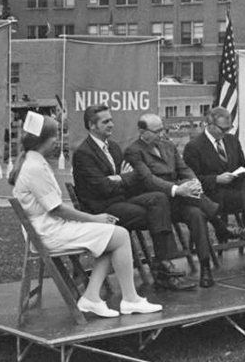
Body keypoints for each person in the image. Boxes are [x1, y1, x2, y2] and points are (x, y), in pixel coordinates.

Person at [11, 111, 162, 318]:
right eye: (54, 137)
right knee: (118, 235)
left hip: (49, 228)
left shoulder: (34, 161)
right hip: (47, 233)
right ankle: (130, 299)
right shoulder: (35, 167)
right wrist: (94, 218)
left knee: (111, 235)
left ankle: (92, 297)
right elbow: (57, 208)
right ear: (42, 141)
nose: (57, 142)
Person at [72, 104, 195, 291]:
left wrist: (119, 179)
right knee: (158, 214)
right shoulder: (83, 153)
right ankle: (164, 269)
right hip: (102, 209)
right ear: (92, 125)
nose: (111, 124)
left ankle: (163, 264)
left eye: (111, 120)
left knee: (160, 198)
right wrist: (122, 178)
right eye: (106, 121)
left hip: (122, 200)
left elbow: (134, 177)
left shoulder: (113, 147)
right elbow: (103, 188)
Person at [124, 113, 244, 288]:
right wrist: (177, 189)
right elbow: (148, 180)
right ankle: (220, 225)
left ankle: (205, 269)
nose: (161, 134)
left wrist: (193, 181)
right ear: (142, 131)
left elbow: (184, 169)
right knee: (193, 201)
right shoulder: (134, 151)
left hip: (178, 200)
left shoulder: (168, 145)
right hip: (156, 202)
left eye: (162, 130)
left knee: (196, 214)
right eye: (156, 131)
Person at [183, 106, 245, 272]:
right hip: (212, 196)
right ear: (209, 125)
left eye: (229, 128)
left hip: (235, 193)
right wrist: (216, 179)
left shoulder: (231, 140)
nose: (226, 132)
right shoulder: (194, 147)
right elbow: (192, 179)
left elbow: (243, 165)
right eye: (223, 129)